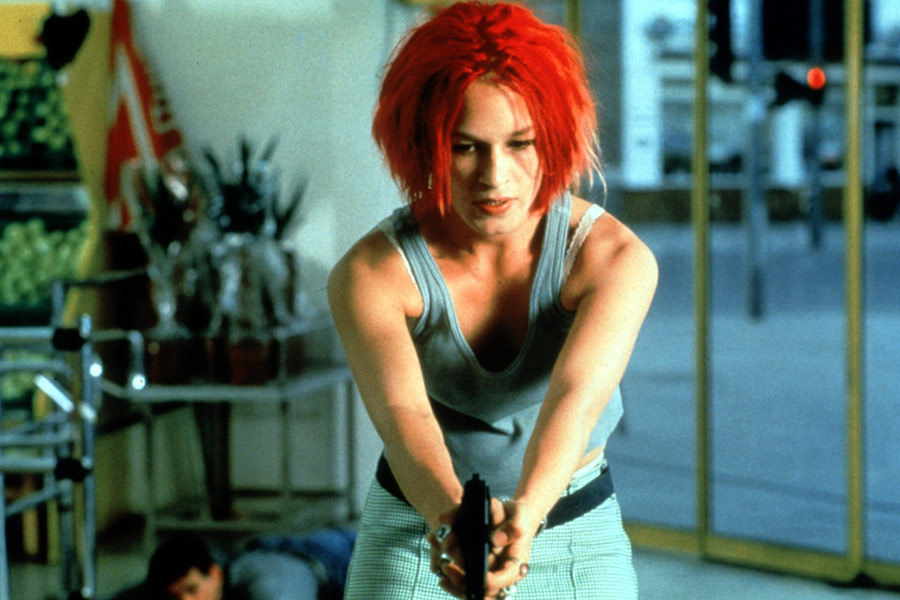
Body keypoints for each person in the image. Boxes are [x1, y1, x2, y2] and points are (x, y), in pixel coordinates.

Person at [327, 2, 657, 599]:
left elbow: (575, 401)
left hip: (573, 526)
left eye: (521, 143)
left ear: (552, 137)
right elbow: (404, 419)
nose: (495, 177)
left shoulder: (613, 259)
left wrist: (525, 518)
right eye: (465, 147)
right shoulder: (371, 274)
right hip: (419, 529)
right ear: (424, 145)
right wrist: (451, 525)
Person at [109, 529, 355, 600]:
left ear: (214, 574)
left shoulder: (271, 587)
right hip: (277, 547)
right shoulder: (204, 574)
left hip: (339, 561)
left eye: (192, 590)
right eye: (175, 597)